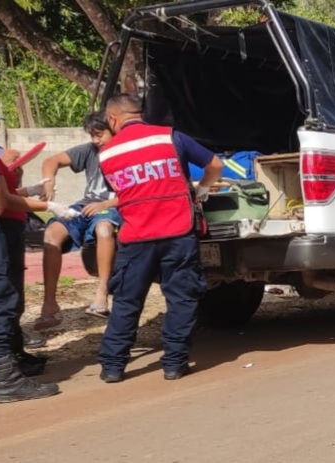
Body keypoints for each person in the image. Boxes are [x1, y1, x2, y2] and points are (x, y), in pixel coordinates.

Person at [97, 93, 223, 383]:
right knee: (180, 298)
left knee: (127, 302)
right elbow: (215, 165)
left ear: (113, 119)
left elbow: (119, 192)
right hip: (177, 233)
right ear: (140, 113)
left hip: (136, 236)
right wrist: (202, 188)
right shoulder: (170, 137)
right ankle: (174, 364)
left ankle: (113, 367)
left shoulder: (106, 154)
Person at [0, 106, 78, 376]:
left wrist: (26, 188)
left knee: (9, 297)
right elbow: (2, 196)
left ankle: (13, 358)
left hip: (5, 227)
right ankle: (6, 375)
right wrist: (51, 206)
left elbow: (6, 191)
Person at [36, 110, 122, 330]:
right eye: (92, 135)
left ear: (114, 127)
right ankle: (49, 302)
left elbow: (136, 191)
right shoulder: (90, 151)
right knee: (52, 233)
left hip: (112, 206)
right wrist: (48, 181)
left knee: (104, 228)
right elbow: (51, 160)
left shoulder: (125, 151)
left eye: (99, 134)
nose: (95, 140)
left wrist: (105, 205)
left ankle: (102, 292)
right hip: (86, 205)